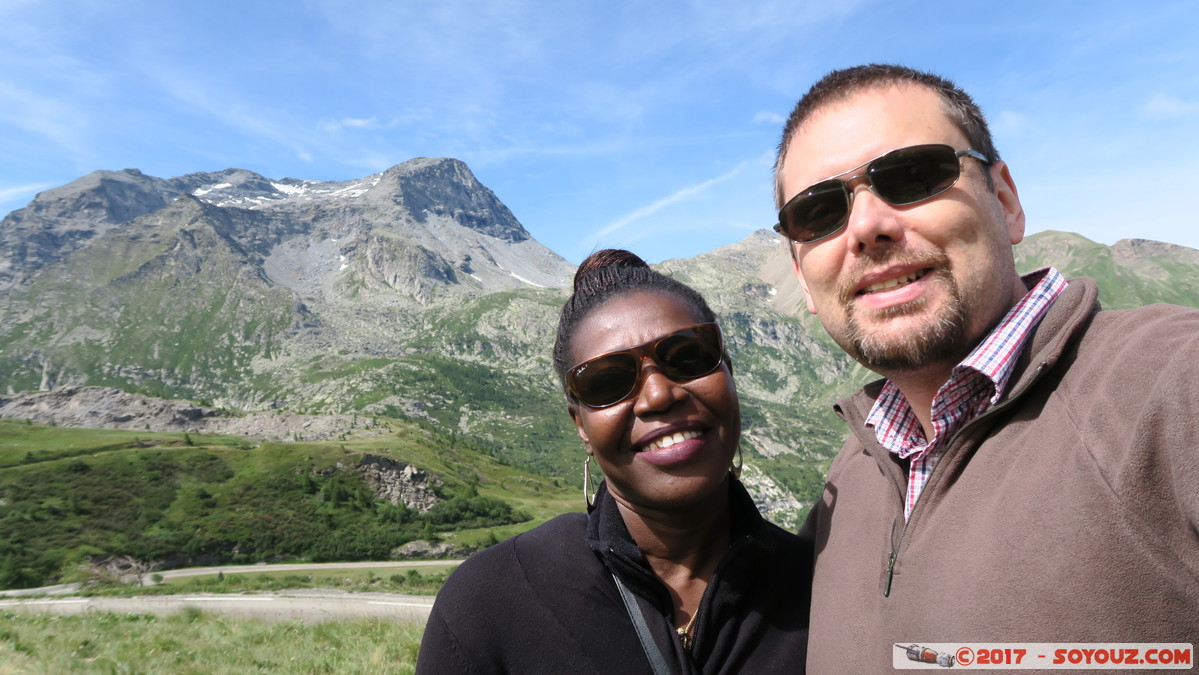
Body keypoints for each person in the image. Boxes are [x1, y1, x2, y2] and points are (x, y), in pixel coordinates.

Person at [773, 63, 1199, 672]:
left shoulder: (1170, 382)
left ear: (1006, 201)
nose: (866, 226)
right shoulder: (854, 475)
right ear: (802, 281)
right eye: (817, 213)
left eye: (913, 175)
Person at [415, 249, 811, 674]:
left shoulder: (825, 585)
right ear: (580, 425)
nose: (660, 395)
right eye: (608, 382)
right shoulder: (490, 599)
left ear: (729, 373)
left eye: (689, 356)